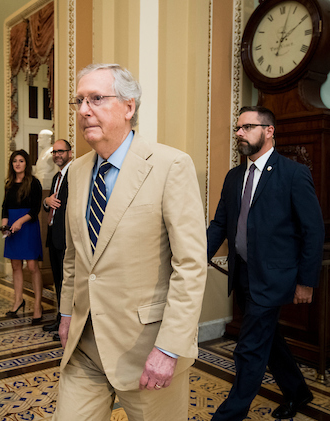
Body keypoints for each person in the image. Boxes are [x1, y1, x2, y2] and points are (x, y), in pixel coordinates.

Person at [54, 63, 207, 421]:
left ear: (129, 106)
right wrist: (65, 313)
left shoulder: (171, 166)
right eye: (79, 100)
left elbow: (191, 265)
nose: (83, 110)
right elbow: (75, 255)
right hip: (85, 347)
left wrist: (169, 348)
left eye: (96, 98)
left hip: (147, 350)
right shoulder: (77, 172)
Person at [207, 106, 325, 420]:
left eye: (246, 127)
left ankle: (229, 415)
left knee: (249, 347)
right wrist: (194, 259)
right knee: (268, 339)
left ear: (268, 131)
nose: (238, 134)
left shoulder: (293, 173)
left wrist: (306, 280)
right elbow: (220, 225)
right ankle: (299, 393)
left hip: (275, 278)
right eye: (237, 128)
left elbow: (313, 230)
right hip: (243, 274)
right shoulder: (234, 177)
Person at [1, 150, 44, 324]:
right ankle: (18, 300)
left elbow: (35, 210)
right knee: (15, 264)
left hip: (27, 226)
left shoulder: (34, 183)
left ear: (26, 163)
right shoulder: (9, 183)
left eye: (21, 161)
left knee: (33, 266)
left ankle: (38, 306)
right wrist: (5, 225)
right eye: (14, 161)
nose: (17, 164)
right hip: (12, 227)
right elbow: (5, 207)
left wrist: (19, 222)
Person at [42, 139, 73, 341]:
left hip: (67, 238)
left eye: (61, 151)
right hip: (54, 236)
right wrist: (46, 202)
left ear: (70, 153)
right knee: (58, 282)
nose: (57, 155)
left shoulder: (75, 175)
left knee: (68, 283)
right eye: (54, 152)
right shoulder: (56, 177)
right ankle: (60, 319)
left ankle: (68, 324)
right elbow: (52, 203)